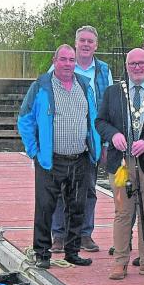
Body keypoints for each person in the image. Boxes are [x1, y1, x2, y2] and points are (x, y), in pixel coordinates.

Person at [17, 44, 101, 269]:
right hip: (50, 159)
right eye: (63, 59)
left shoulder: (84, 86)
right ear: (54, 61)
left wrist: (96, 149)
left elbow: (92, 118)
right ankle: (42, 252)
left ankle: (72, 252)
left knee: (77, 207)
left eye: (71, 60)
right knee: (45, 207)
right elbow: (25, 120)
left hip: (80, 158)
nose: (67, 64)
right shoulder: (41, 87)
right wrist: (33, 150)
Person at [96, 47, 144, 280]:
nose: (137, 68)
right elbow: (100, 121)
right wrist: (113, 135)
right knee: (122, 213)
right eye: (132, 64)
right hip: (121, 163)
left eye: (141, 63)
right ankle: (120, 261)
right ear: (127, 66)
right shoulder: (112, 93)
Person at [50, 26, 113, 254]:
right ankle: (59, 235)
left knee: (88, 190)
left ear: (96, 45)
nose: (86, 44)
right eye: (82, 41)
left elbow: (109, 107)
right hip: (61, 140)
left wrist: (105, 143)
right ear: (76, 43)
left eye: (90, 41)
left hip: (92, 140)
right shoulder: (59, 67)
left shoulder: (105, 71)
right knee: (58, 190)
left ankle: (85, 234)